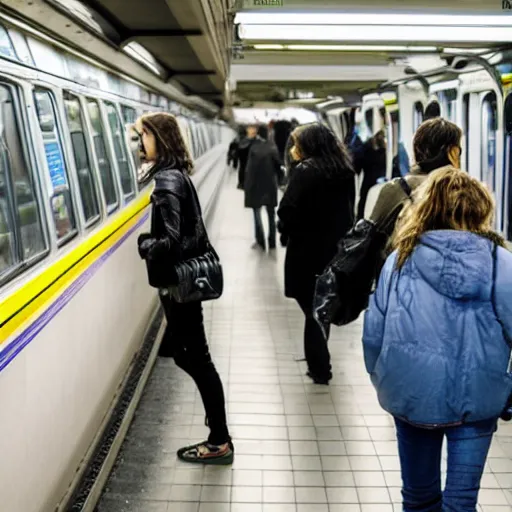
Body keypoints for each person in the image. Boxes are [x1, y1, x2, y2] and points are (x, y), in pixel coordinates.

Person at [363, 167, 512, 512]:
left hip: (411, 393)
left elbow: (374, 333)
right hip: (477, 396)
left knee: (417, 499)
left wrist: (384, 379)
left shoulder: (399, 259)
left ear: (427, 208)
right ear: (480, 208)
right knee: (461, 503)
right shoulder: (501, 262)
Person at [135, 112, 233, 465]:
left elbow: (172, 241)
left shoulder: (166, 181)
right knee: (186, 354)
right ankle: (218, 432)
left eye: (143, 135)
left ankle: (219, 440)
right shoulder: (178, 176)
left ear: (158, 138)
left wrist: (146, 244)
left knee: (197, 358)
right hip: (179, 283)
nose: (140, 143)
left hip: (178, 284)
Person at [277, 123, 355, 385]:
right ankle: (319, 361)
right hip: (334, 253)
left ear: (309, 145)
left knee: (312, 311)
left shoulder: (304, 172)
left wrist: (286, 230)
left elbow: (286, 210)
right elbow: (349, 213)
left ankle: (321, 367)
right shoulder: (345, 171)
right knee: (321, 307)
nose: (294, 149)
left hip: (305, 254)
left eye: (297, 144)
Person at [369, 118, 462, 275]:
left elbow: (372, 237)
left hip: (403, 278)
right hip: (452, 278)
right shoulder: (465, 192)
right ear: (453, 151)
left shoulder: (396, 189)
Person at [244, 124, 284, 251]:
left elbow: (249, 170)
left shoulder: (253, 148)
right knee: (271, 215)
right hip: (270, 186)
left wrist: (247, 186)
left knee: (257, 215)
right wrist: (281, 180)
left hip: (256, 186)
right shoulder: (272, 147)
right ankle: (272, 242)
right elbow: (279, 166)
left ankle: (260, 241)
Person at [354, 129, 387, 220]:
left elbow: (357, 167)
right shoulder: (386, 151)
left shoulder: (365, 149)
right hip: (377, 183)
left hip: (368, 183)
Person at [237, 124, 257, 189]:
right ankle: (244, 183)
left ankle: (241, 183)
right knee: (246, 168)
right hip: (246, 152)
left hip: (242, 151)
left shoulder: (241, 136)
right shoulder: (251, 136)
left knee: (242, 168)